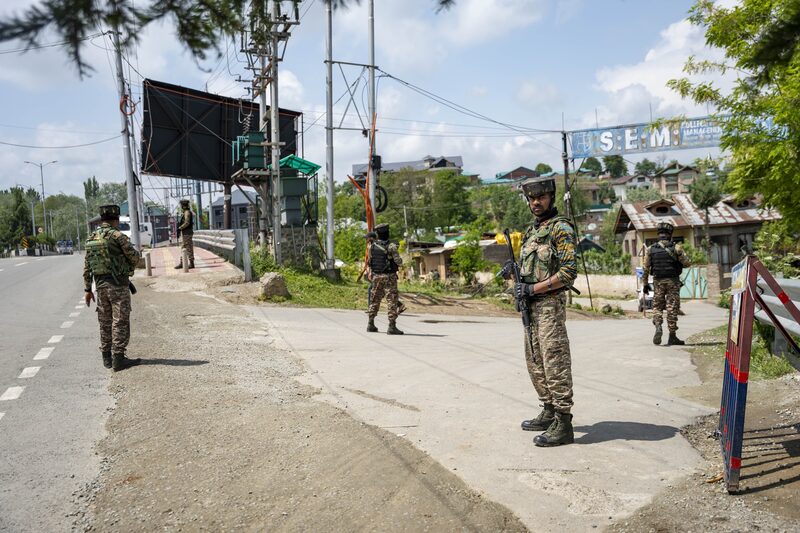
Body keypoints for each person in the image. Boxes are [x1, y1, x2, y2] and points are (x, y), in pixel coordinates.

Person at [506, 175, 578, 447]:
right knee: (535, 360)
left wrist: (533, 289)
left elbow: (569, 273)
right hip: (531, 307)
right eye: (531, 198)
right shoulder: (532, 232)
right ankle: (548, 409)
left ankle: (564, 420)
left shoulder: (561, 228)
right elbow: (529, 270)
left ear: (551, 197)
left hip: (549, 305)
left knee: (554, 360)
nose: (536, 202)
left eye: (541, 197)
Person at [83, 204, 142, 371]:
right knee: (120, 320)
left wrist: (88, 289)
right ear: (116, 219)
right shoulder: (118, 236)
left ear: (102, 219)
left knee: (105, 321)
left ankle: (106, 358)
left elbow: (87, 266)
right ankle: (118, 358)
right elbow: (135, 259)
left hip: (100, 287)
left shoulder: (91, 238)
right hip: (118, 286)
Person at [642, 222, 691, 346]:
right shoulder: (677, 248)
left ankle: (658, 326)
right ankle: (672, 336)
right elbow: (687, 263)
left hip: (658, 281)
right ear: (670, 234)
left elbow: (646, 268)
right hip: (673, 282)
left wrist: (645, 284)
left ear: (659, 234)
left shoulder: (650, 249)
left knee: (657, 306)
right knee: (672, 307)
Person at [366, 223, 404, 335]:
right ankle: (392, 326)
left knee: (374, 299)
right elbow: (399, 262)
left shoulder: (372, 246)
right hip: (389, 277)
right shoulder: (391, 246)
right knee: (391, 300)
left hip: (376, 276)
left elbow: (370, 262)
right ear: (387, 232)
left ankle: (370, 324)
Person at [174, 199, 194, 269]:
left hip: (187, 233)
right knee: (184, 248)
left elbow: (187, 223)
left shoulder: (187, 212)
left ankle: (191, 263)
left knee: (188, 248)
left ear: (183, 205)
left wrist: (180, 228)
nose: (180, 206)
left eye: (181, 205)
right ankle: (183, 263)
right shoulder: (185, 212)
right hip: (185, 233)